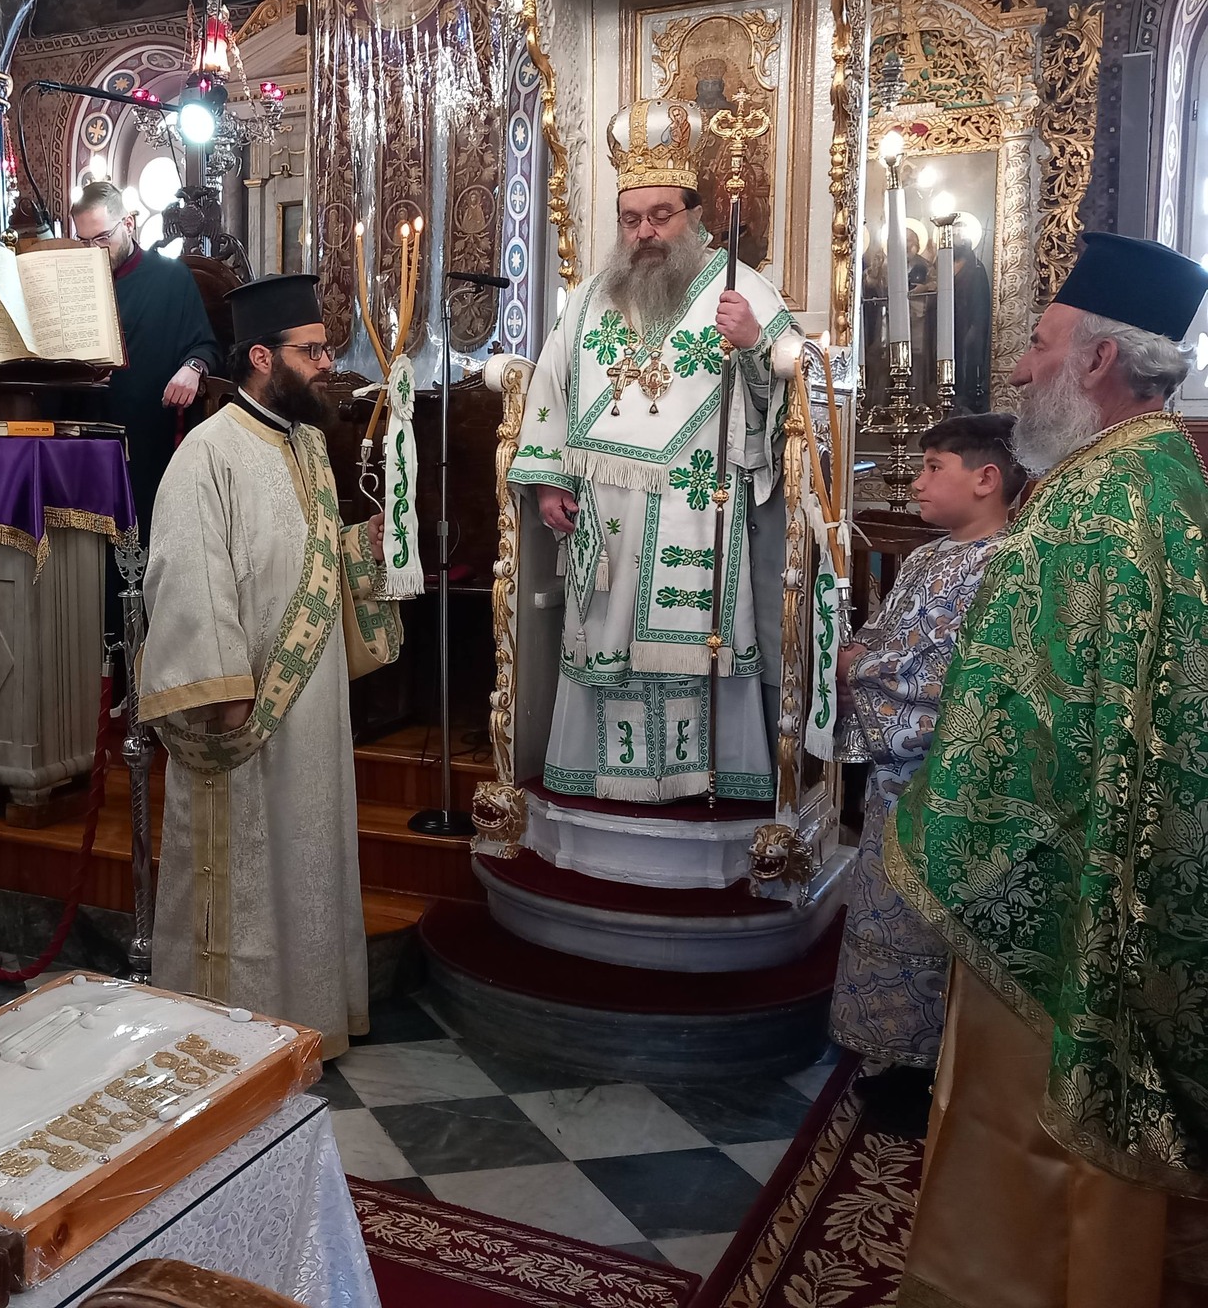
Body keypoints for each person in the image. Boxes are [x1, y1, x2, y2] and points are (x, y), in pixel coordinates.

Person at [890, 232, 1208, 1308]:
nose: (1020, 370)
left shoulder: (1098, 504)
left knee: (1027, 1106)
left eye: (1038, 345)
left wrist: (955, 822)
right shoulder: (1157, 477)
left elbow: (1021, 708)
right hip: (1099, 850)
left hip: (1054, 876)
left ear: (1099, 360)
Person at [137, 275, 400, 1055]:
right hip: (247, 710)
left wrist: (363, 547)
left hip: (313, 713)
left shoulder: (308, 444)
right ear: (261, 356)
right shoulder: (207, 455)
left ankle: (309, 1020)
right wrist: (222, 691)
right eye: (311, 351)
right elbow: (189, 577)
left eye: (325, 349)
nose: (326, 364)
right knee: (249, 870)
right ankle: (234, 1039)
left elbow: (301, 558)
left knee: (308, 860)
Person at [508, 100, 793, 802]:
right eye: (631, 219)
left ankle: (704, 780)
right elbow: (549, 384)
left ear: (694, 215)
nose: (644, 232)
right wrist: (549, 481)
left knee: (696, 638)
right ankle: (603, 778)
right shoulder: (590, 299)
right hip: (603, 514)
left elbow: (794, 395)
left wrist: (755, 343)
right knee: (605, 636)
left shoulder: (740, 289)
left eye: (661, 216)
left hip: (699, 508)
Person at [828, 412, 1024, 1135]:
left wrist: (860, 669)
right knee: (885, 909)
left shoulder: (1007, 565)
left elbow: (961, 677)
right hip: (894, 782)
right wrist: (854, 655)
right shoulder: (925, 557)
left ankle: (930, 1068)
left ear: (986, 478)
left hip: (946, 784)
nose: (916, 481)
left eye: (934, 466)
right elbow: (884, 635)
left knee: (929, 924)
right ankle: (892, 1052)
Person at [69, 181, 220, 539]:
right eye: (84, 242)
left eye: (102, 238)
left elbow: (205, 346)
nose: (94, 251)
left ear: (128, 224)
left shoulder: (171, 278)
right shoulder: (72, 282)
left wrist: (192, 368)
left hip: (148, 434)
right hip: (82, 434)